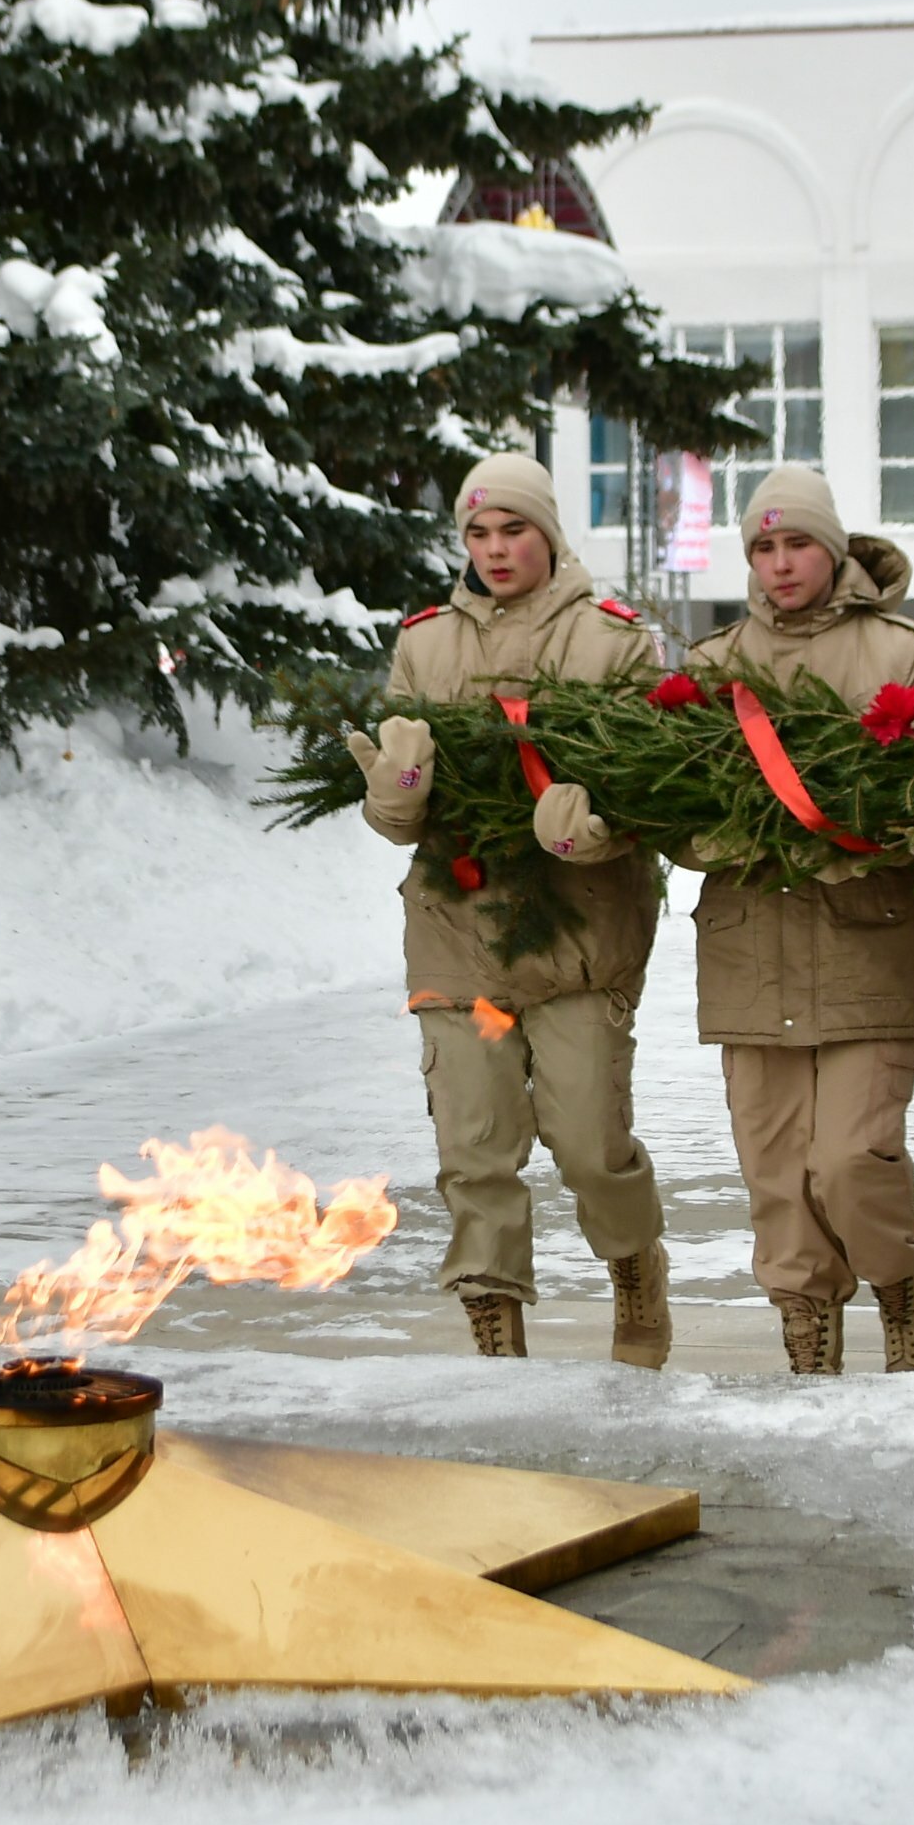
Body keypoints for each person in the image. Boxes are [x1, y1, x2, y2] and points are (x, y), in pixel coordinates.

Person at [347, 452, 677, 1365]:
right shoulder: (423, 642)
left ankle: (634, 1268)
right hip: (461, 943)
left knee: (587, 1142)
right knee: (477, 1144)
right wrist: (396, 793)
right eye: (477, 534)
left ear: (550, 533)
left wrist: (596, 829)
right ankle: (493, 1326)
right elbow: (395, 812)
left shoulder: (611, 639)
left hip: (576, 944)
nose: (494, 550)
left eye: (513, 530)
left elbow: (650, 789)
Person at [688, 464, 914, 1374]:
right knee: (773, 1171)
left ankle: (897, 1290)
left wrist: (867, 833)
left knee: (849, 1158)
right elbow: (675, 811)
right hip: (752, 952)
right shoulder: (714, 664)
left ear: (833, 547)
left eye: (796, 543)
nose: (779, 564)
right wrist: (709, 836)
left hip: (871, 944)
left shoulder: (902, 651)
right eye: (762, 548)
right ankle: (806, 1331)